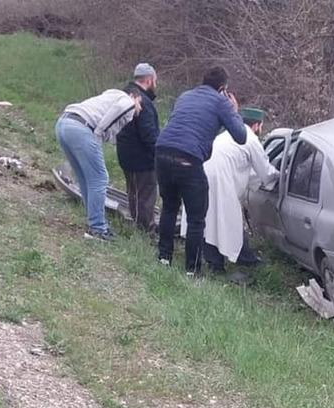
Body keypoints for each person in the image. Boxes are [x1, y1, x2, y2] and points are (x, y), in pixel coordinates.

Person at [154, 66, 248, 275]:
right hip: (188, 158)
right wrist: (234, 111)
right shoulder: (222, 102)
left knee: (169, 207)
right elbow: (241, 136)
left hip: (162, 151)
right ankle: (192, 270)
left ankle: (164, 257)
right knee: (196, 218)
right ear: (222, 88)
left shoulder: (185, 95)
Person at [181, 107, 279, 274]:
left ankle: (217, 262)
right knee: (227, 220)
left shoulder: (225, 135)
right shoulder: (250, 138)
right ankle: (238, 260)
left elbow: (246, 169)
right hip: (220, 181)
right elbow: (265, 171)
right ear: (257, 125)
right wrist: (279, 176)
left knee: (207, 221)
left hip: (200, 173)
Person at [56, 88, 142, 241]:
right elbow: (121, 107)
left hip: (64, 124)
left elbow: (112, 132)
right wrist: (98, 134)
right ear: (133, 96)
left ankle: (93, 222)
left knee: (85, 178)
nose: (140, 108)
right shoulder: (127, 101)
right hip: (81, 128)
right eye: (140, 103)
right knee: (100, 179)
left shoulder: (111, 95)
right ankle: (97, 229)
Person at [116, 63, 160, 232]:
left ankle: (138, 226)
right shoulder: (143, 102)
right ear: (149, 80)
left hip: (126, 154)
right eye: (155, 80)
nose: (155, 84)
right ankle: (145, 231)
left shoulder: (125, 94)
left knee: (134, 193)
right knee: (145, 196)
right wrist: (159, 155)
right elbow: (149, 135)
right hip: (141, 159)